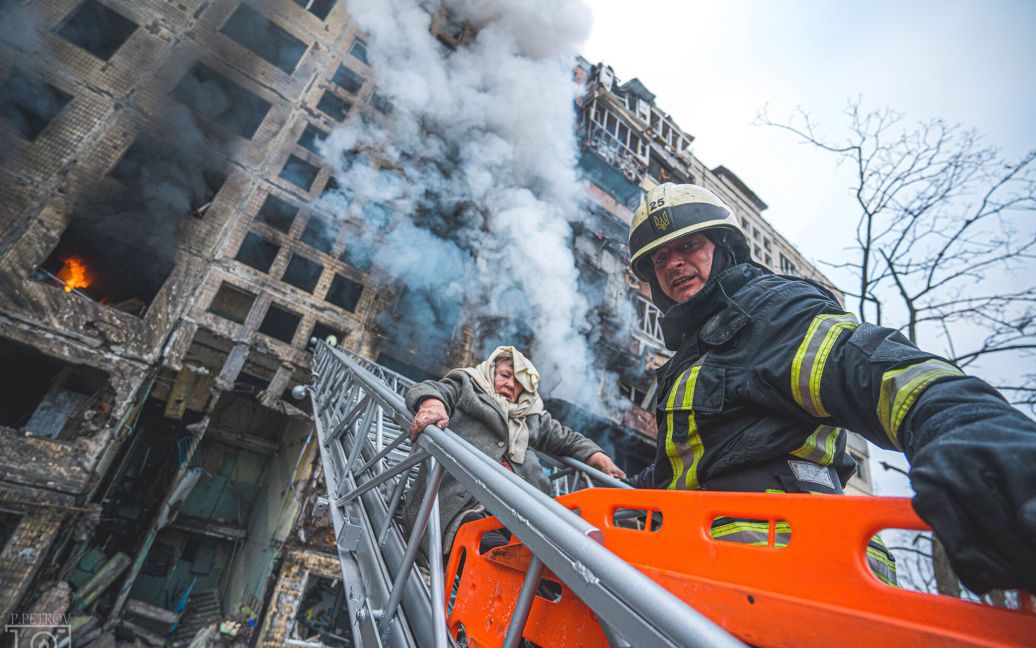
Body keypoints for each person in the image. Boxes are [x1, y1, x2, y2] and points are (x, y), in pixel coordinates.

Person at [624, 182, 1036, 594]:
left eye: (689, 246)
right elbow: (701, 464)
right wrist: (626, 485)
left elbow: (865, 366)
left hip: (792, 565)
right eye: (661, 258)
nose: (674, 264)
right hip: (717, 569)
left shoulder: (768, 313)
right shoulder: (690, 358)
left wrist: (963, 426)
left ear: (723, 246)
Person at [404, 346, 625, 554]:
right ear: (491, 371)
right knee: (495, 552)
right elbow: (431, 389)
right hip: (465, 506)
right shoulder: (468, 385)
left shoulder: (531, 414)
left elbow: (567, 439)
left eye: (519, 381)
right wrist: (433, 406)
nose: (510, 384)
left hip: (521, 511)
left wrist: (599, 457)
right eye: (505, 375)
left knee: (567, 554)